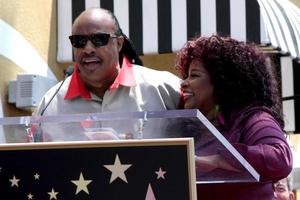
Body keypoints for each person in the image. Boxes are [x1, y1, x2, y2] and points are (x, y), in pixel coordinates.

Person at [33, 8, 181, 141]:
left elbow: (203, 134)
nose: (88, 49)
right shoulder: (50, 103)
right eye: (79, 41)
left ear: (119, 43)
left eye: (98, 39)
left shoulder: (162, 88)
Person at [175, 35, 293, 199]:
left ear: (222, 81)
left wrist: (219, 159)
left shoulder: (254, 119)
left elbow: (280, 158)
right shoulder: (192, 126)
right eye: (185, 76)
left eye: (194, 75)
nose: (184, 83)